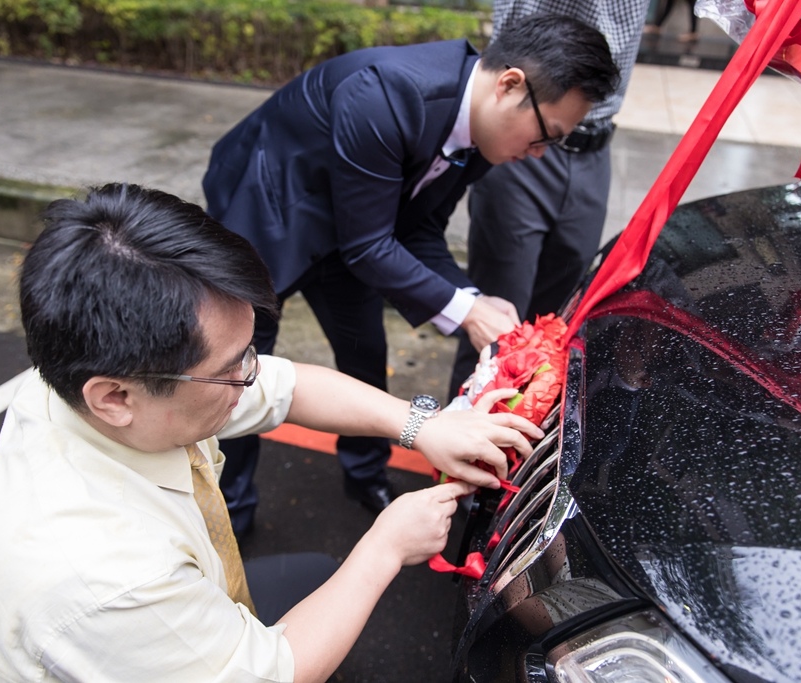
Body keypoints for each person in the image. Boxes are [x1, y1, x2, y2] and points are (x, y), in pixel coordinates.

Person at [0, 184, 543, 682]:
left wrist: (423, 425)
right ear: (117, 397)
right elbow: (269, 674)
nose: (250, 374)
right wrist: (384, 546)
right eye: (232, 367)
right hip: (103, 641)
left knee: (311, 577)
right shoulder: (110, 575)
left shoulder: (82, 378)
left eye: (248, 349)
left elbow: (288, 387)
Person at [202, 13, 620, 532]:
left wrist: (470, 296)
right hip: (266, 212)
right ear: (510, 84)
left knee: (365, 354)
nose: (539, 154)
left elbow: (419, 229)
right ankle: (231, 508)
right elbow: (370, 244)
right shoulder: (384, 93)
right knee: (239, 371)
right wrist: (466, 312)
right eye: (546, 135)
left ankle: (365, 472)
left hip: (351, 230)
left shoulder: (484, 135)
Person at [448, 0, 650, 399]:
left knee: (559, 320)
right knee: (496, 317)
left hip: (594, 140)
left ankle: (530, 441)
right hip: (526, 127)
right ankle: (462, 441)